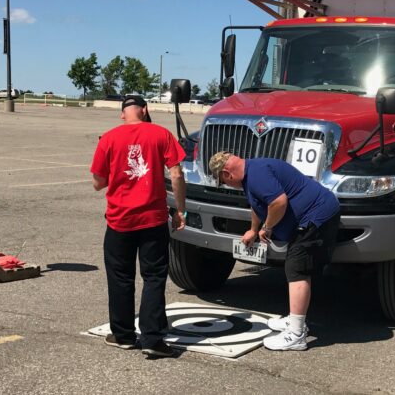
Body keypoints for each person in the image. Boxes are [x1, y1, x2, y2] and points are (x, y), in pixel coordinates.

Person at [208, 151, 341, 351]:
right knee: (294, 266)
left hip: (316, 216)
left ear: (227, 173)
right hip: (310, 216)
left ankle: (296, 334)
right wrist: (253, 229)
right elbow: (257, 204)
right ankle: (293, 320)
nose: (228, 185)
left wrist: (267, 227)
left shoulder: (257, 175)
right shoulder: (250, 173)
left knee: (296, 270)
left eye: (224, 182)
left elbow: (278, 202)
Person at [91, 95, 187, 358]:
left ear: (123, 114)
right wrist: (180, 210)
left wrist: (118, 172)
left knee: (120, 278)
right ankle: (152, 338)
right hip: (152, 220)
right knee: (154, 277)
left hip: (119, 220)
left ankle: (122, 335)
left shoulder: (109, 138)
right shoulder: (161, 134)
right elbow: (177, 174)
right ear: (145, 110)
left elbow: (98, 182)